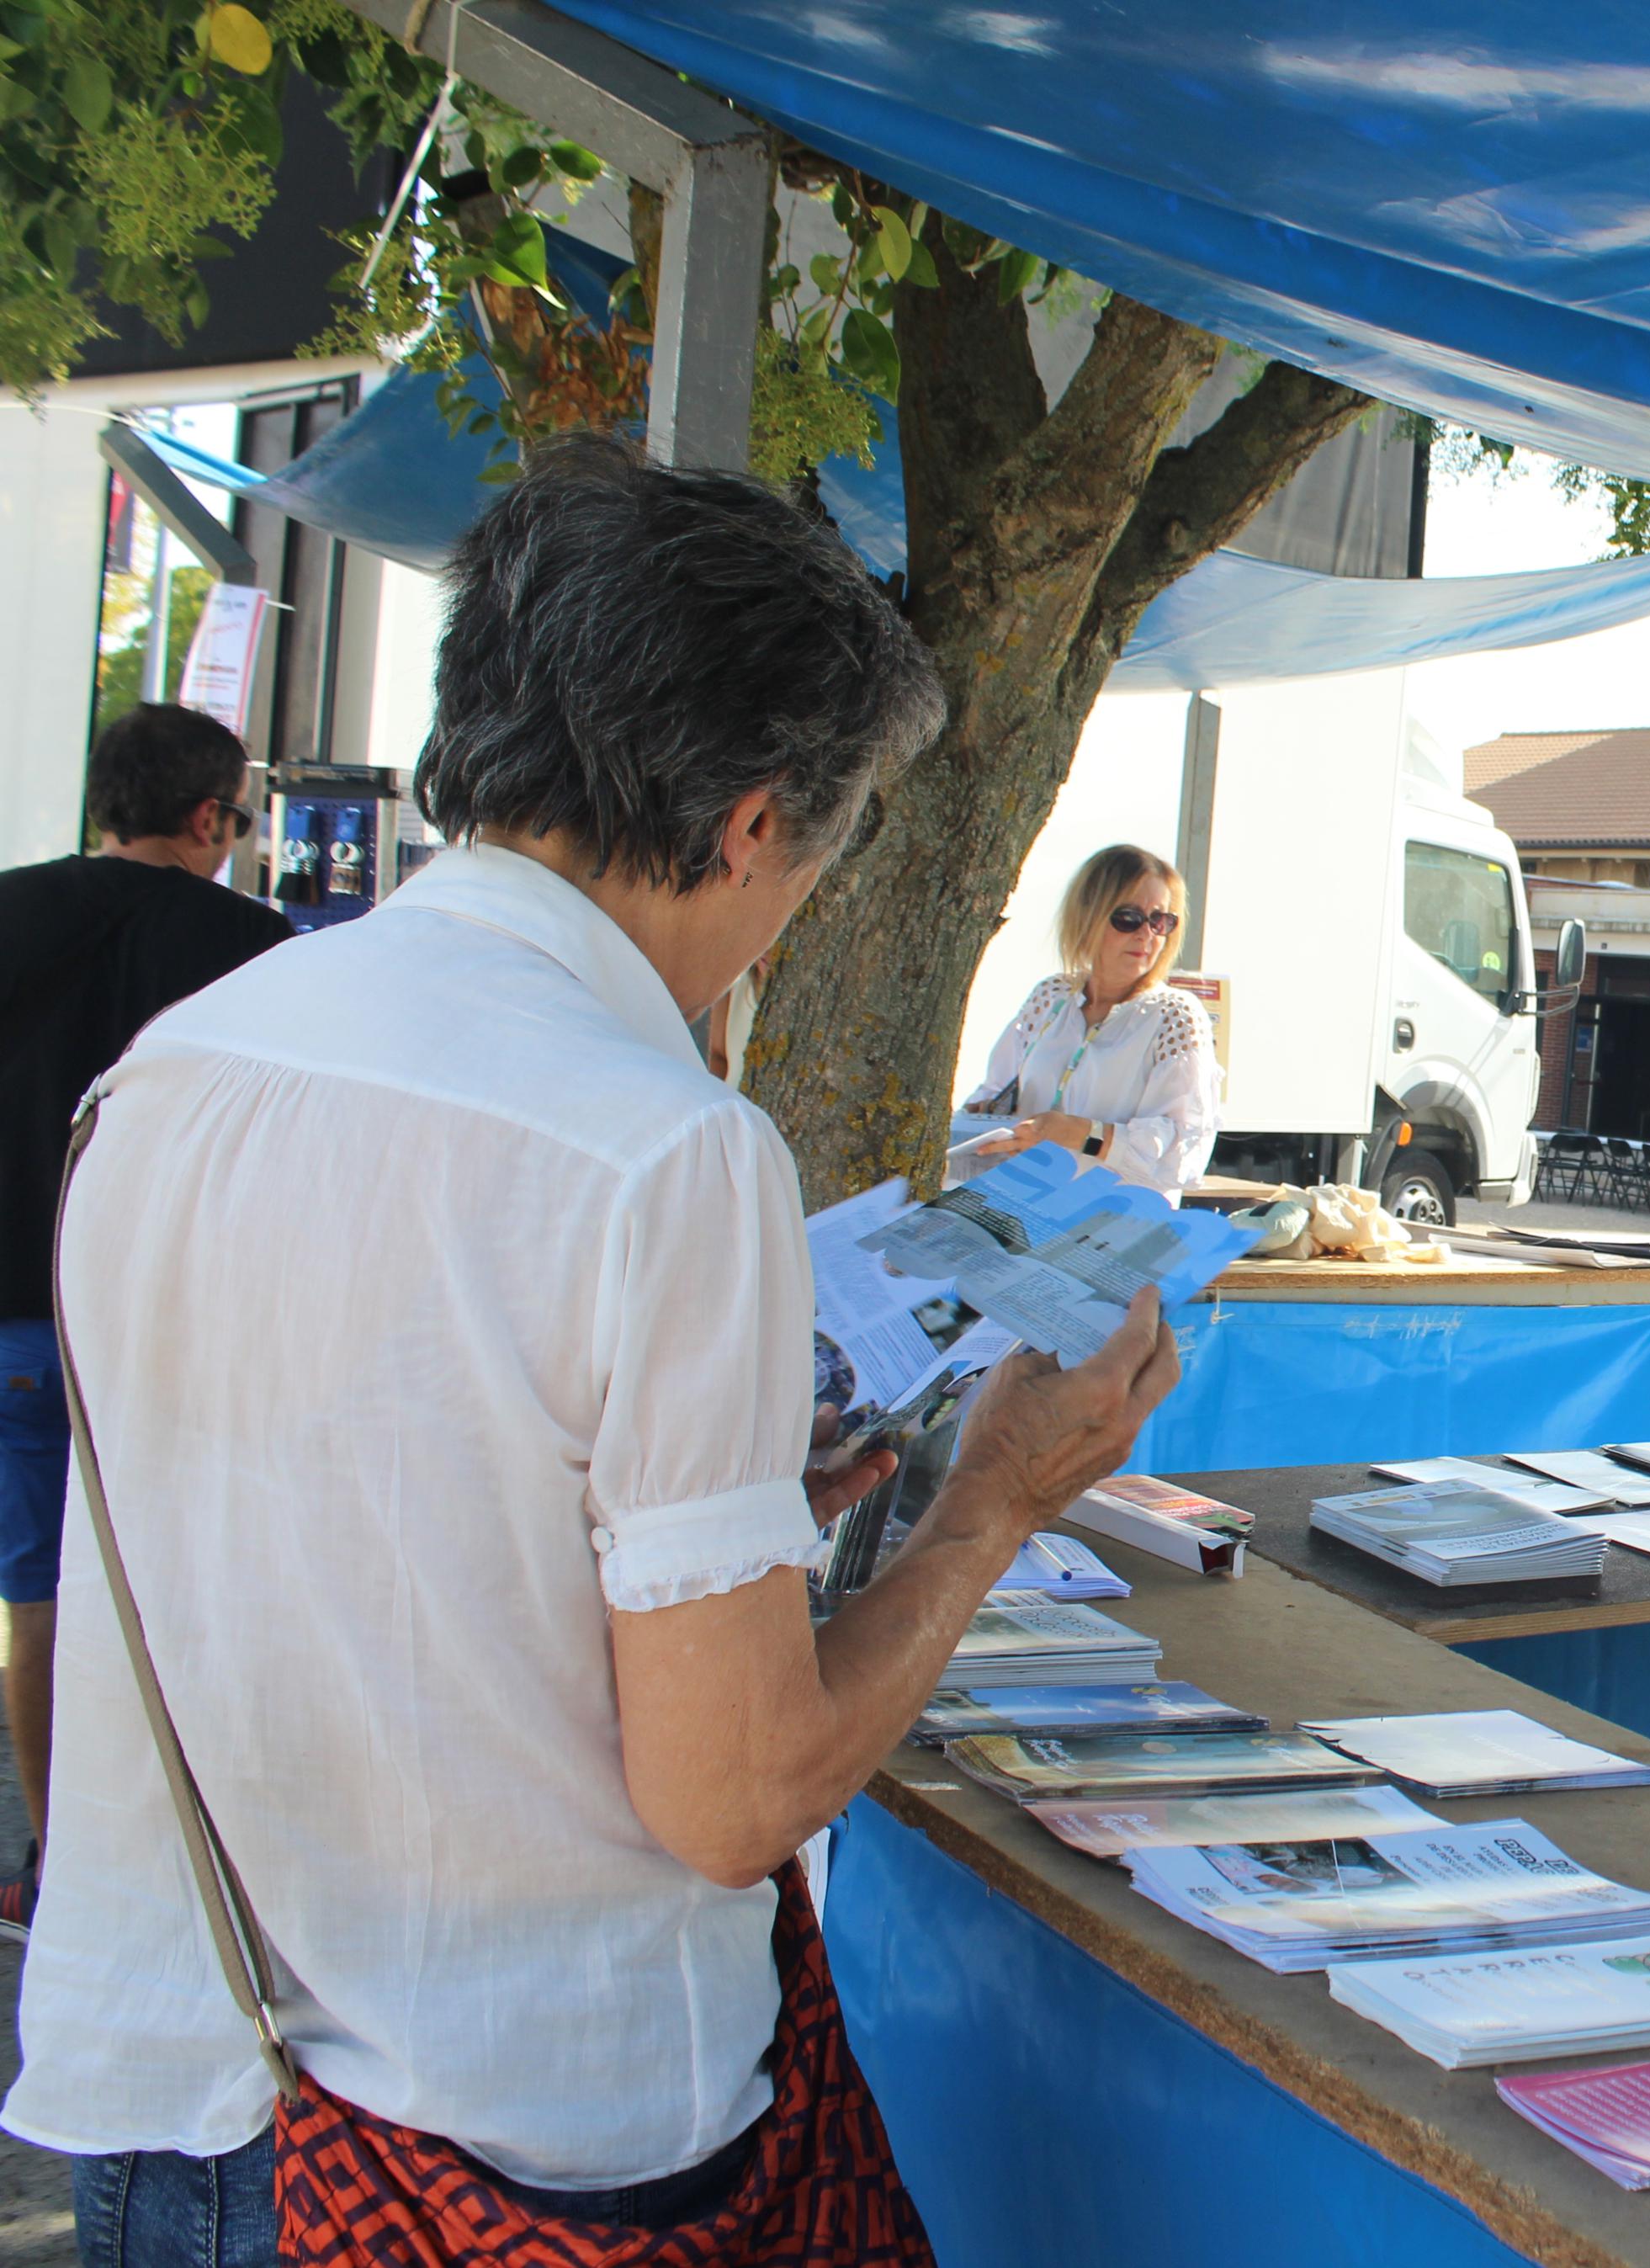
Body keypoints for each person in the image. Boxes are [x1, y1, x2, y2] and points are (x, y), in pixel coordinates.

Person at [9, 435, 1181, 2263]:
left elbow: (354, 1499)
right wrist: (994, 1503)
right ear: (751, 823)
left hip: (185, 2078)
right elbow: (730, 1800)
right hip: (506, 2128)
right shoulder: (663, 1149)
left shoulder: (178, 1071)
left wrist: (709, 1498)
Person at [0, 704, 291, 1921]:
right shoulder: (259, 945)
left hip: (12, 1320)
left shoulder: (9, 905)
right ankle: (183, 1867)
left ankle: (63, 1865)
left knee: (38, 1596)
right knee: (181, 1589)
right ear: (210, 817)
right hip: (171, 1328)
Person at [963, 843, 1220, 1192]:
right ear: (1088, 916)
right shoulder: (1051, 996)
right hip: (1023, 1208)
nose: (1146, 934)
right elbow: (997, 1088)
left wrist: (1082, 1134)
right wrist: (984, 1116)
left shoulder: (1175, 1016)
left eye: (1160, 921)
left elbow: (1184, 1153)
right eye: (1128, 918)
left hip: (1112, 1226)